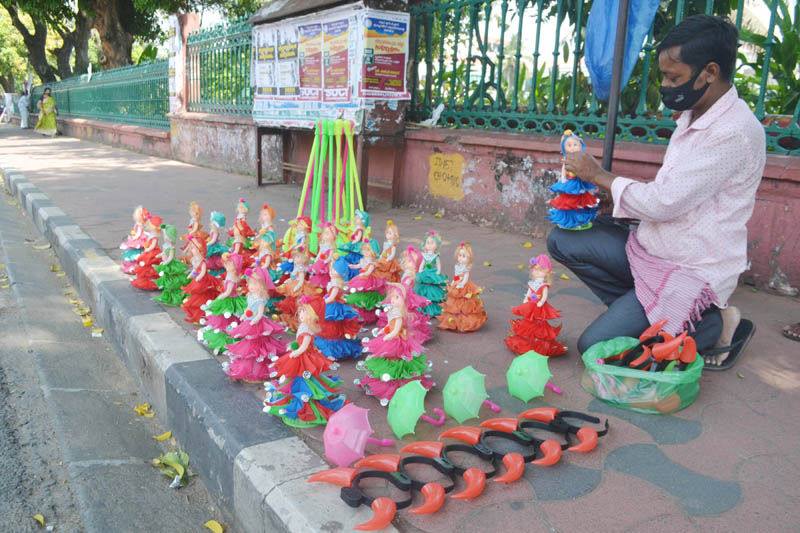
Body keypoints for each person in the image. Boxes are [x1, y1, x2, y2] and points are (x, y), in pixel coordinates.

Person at [547, 15, 763, 371]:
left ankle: (711, 323)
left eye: (673, 77)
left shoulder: (733, 132)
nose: (665, 85)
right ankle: (647, 311)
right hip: (653, 250)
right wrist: (614, 195)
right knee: (563, 239)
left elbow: (664, 202)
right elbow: (673, 191)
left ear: (710, 72)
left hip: (688, 269)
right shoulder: (695, 113)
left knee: (595, 349)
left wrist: (599, 175)